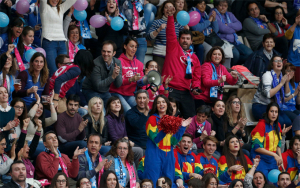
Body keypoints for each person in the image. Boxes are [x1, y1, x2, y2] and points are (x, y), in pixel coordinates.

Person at [143, 95, 192, 188]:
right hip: (154, 155)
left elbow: (173, 141)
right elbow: (156, 139)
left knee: (168, 182)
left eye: (163, 102)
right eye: (158, 102)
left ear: (167, 104)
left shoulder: (172, 120)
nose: (161, 104)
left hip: (168, 155)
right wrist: (166, 128)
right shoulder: (152, 119)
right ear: (155, 106)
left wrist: (182, 127)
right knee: (153, 183)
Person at [162, 6, 201, 119]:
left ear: (191, 41)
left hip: (186, 91)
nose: (185, 40)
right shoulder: (173, 48)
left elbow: (197, 77)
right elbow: (170, 33)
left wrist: (195, 87)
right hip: (171, 89)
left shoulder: (195, 58)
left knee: (191, 118)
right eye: (183, 38)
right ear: (179, 40)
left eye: (187, 38)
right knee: (167, 117)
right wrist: (170, 17)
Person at [252, 56, 294, 129]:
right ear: (272, 65)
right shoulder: (267, 75)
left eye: (280, 61)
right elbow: (268, 94)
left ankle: (283, 139)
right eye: (276, 61)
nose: (279, 62)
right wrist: (281, 83)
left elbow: (287, 95)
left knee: (288, 122)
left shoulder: (281, 76)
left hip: (274, 107)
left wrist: (286, 82)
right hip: (260, 105)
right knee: (280, 122)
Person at [40, 0, 76, 77]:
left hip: (62, 43)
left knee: (64, 70)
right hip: (49, 42)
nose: (55, 0)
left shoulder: (61, 8)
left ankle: (62, 89)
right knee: (53, 71)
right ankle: (52, 89)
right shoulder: (44, 8)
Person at [109, 37, 144, 114]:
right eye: (131, 46)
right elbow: (117, 83)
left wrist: (146, 80)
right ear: (125, 46)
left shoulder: (139, 64)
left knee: (141, 111)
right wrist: (131, 79)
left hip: (130, 94)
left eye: (135, 47)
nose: (134, 49)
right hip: (116, 93)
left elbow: (141, 84)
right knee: (128, 112)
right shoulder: (118, 61)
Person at [212, 0, 253, 66]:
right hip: (223, 41)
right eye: (221, 5)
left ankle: (235, 66)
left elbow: (239, 25)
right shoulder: (213, 13)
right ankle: (230, 68)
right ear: (216, 6)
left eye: (225, 6)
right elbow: (222, 28)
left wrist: (228, 24)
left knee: (249, 53)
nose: (223, 8)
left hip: (235, 40)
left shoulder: (229, 14)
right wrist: (234, 30)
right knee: (235, 54)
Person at [106, 96, 143, 166]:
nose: (117, 104)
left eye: (118, 102)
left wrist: (127, 141)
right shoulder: (108, 119)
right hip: (114, 146)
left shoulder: (122, 117)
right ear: (109, 106)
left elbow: (125, 134)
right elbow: (114, 138)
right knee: (139, 151)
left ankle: (133, 171)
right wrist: (127, 143)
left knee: (142, 150)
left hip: (123, 144)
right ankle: (132, 171)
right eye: (114, 103)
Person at [82, 41, 122, 106]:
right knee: (101, 111)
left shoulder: (117, 62)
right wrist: (112, 77)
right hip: (91, 90)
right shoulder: (95, 63)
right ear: (101, 52)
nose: (106, 54)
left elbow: (118, 85)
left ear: (114, 53)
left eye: (108, 52)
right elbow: (98, 86)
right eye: (104, 51)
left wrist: (117, 75)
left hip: (105, 92)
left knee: (112, 109)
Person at [250, 102, 283, 180]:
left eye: (276, 112)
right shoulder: (261, 125)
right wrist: (275, 155)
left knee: (276, 181)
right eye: (271, 111)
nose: (274, 114)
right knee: (264, 181)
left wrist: (280, 159)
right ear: (267, 112)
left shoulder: (278, 125)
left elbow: (278, 145)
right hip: (260, 159)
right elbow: (256, 147)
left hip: (272, 160)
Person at [146, 1, 184, 68]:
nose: (168, 9)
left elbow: (184, 38)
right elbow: (149, 37)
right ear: (163, 10)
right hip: (159, 54)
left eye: (170, 7)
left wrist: (186, 27)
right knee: (160, 76)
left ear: (174, 10)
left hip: (173, 54)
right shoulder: (157, 22)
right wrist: (159, 29)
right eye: (166, 7)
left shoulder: (177, 24)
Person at [26, 91, 56, 158]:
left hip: (41, 144)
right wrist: (38, 100)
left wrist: (51, 102)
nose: (39, 109)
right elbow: (31, 114)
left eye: (41, 108)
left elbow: (54, 119)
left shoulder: (42, 121)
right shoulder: (27, 119)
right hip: (29, 144)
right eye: (37, 107)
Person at [0, 86, 19, 152]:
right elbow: (5, 128)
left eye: (5, 92)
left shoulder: (12, 110)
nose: (4, 94)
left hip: (7, 145)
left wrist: (12, 128)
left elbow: (10, 131)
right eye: (0, 93)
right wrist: (5, 128)